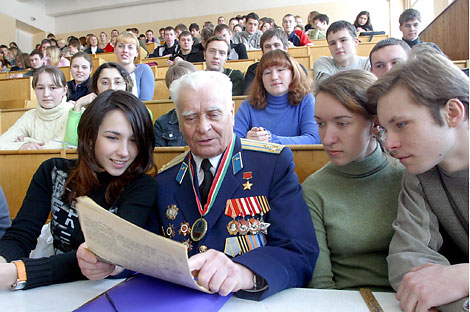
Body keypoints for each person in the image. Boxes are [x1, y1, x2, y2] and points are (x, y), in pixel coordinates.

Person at [146, 70, 318, 299]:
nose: (203, 127)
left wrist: (244, 272)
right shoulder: (166, 178)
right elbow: (148, 252)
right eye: (190, 118)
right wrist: (115, 265)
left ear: (232, 113)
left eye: (214, 114)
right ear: (178, 123)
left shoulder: (272, 165)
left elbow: (299, 251)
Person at [0, 90, 158, 290]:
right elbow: (21, 235)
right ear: (89, 136)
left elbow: (107, 255)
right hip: (51, 290)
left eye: (134, 140)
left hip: (107, 292)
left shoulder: (142, 187)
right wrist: (2, 262)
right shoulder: (52, 171)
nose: (124, 152)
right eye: (112, 138)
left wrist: (19, 272)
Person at [367, 47, 468, 312]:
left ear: (453, 113)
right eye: (385, 129)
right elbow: (407, 260)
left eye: (401, 124)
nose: (389, 145)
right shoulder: (420, 174)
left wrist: (464, 278)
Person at [303, 69, 404, 291]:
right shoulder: (314, 189)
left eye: (342, 123)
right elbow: (320, 283)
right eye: (320, 123)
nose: (327, 139)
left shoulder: (408, 179)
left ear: (375, 123)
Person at [234, 50, 319, 145]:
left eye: (280, 70)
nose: (274, 77)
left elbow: (313, 139)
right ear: (261, 79)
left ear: (293, 73)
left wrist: (271, 140)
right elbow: (233, 141)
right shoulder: (248, 104)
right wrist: (246, 140)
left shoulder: (307, 100)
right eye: (267, 73)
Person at [0, 66, 72, 150]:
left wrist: (28, 140)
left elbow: (64, 146)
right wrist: (21, 146)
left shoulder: (74, 113)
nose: (46, 94)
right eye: (40, 88)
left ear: (64, 90)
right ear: (34, 90)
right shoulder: (29, 116)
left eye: (53, 88)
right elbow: (2, 142)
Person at [64, 62, 133, 146]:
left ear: (126, 85)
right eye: (105, 83)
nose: (112, 88)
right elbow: (69, 147)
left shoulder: (139, 112)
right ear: (96, 88)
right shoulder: (89, 115)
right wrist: (78, 105)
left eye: (118, 82)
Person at [244, 28, 307, 93]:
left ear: (285, 48)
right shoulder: (253, 69)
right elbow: (250, 94)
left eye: (276, 45)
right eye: (267, 47)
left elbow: (302, 91)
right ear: (263, 51)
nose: (272, 49)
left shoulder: (298, 68)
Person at [153, 61, 195, 147]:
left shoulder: (208, 119)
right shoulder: (161, 124)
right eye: (176, 87)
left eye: (187, 84)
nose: (183, 91)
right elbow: (160, 158)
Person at [115, 32, 155, 101]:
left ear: (136, 52)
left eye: (130, 47)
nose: (125, 50)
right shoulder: (110, 71)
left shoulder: (144, 70)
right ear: (115, 49)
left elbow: (146, 103)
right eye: (121, 46)